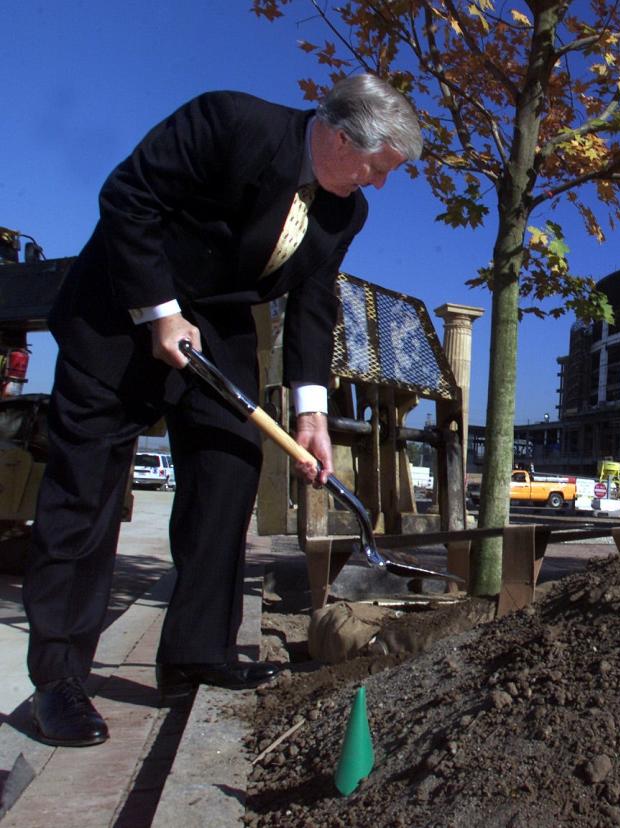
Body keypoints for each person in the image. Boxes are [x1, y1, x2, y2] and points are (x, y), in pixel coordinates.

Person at [22, 74, 422, 748]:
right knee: (85, 492)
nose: (378, 184)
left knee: (230, 468)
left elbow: (314, 305)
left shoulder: (344, 211)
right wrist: (160, 310)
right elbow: (128, 197)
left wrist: (312, 414)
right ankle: (58, 680)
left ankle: (193, 655)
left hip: (220, 326)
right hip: (122, 306)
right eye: (375, 168)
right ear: (335, 134)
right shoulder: (228, 121)